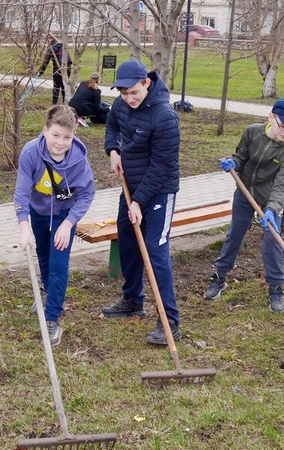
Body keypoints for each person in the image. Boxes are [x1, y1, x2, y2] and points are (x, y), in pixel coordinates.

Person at [101, 59, 181, 345]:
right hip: (131, 189)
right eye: (123, 94)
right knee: (128, 242)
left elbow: (162, 166)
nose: (128, 99)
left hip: (159, 192)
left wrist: (139, 201)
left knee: (155, 252)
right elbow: (111, 125)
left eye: (133, 92)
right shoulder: (121, 104)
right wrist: (112, 150)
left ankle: (170, 320)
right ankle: (133, 300)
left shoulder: (165, 117)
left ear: (147, 83)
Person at [204, 98, 284, 312]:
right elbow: (241, 156)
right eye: (283, 125)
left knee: (272, 241)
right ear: (271, 117)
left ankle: (276, 287)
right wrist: (234, 163)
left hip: (271, 198)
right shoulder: (252, 132)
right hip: (245, 191)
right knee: (235, 234)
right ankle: (219, 276)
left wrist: (272, 209)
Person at [14, 104, 95, 346]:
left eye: (67, 137)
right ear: (45, 130)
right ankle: (48, 292)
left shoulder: (79, 161)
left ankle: (52, 318)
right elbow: (21, 193)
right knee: (44, 253)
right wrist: (23, 226)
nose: (60, 142)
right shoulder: (30, 153)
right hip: (37, 210)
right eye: (55, 135)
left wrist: (69, 223)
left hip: (64, 213)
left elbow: (87, 194)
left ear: (74, 136)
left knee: (58, 262)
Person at [37, 34, 72, 105]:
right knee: (64, 85)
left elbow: (45, 62)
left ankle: (54, 104)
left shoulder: (51, 48)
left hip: (57, 69)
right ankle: (66, 103)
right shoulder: (62, 45)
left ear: (49, 40)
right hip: (67, 68)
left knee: (56, 86)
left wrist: (40, 73)